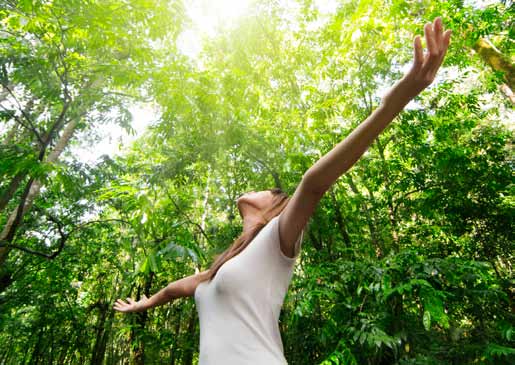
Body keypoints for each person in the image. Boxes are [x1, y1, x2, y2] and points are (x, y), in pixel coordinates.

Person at [114, 17, 451, 364]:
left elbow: (313, 184)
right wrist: (146, 302)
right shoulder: (219, 269)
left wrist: (392, 103)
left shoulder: (277, 238)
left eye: (267, 189)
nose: (254, 188)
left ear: (275, 206)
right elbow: (175, 289)